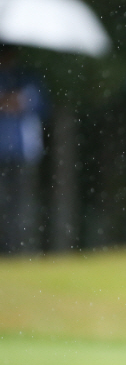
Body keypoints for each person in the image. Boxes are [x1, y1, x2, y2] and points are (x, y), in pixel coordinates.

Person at [0, 44, 47, 253]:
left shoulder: (27, 78)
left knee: (23, 205)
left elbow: (41, 106)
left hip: (23, 151)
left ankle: (22, 249)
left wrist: (18, 101)